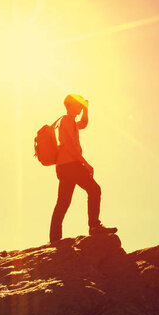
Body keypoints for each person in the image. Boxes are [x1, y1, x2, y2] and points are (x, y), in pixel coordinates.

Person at [50, 94, 117, 243]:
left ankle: (54, 238)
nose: (80, 107)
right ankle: (94, 226)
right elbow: (69, 145)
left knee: (63, 202)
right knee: (94, 190)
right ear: (71, 105)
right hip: (70, 165)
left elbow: (84, 123)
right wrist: (85, 163)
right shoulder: (67, 120)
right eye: (78, 104)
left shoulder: (70, 121)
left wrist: (86, 108)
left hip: (63, 166)